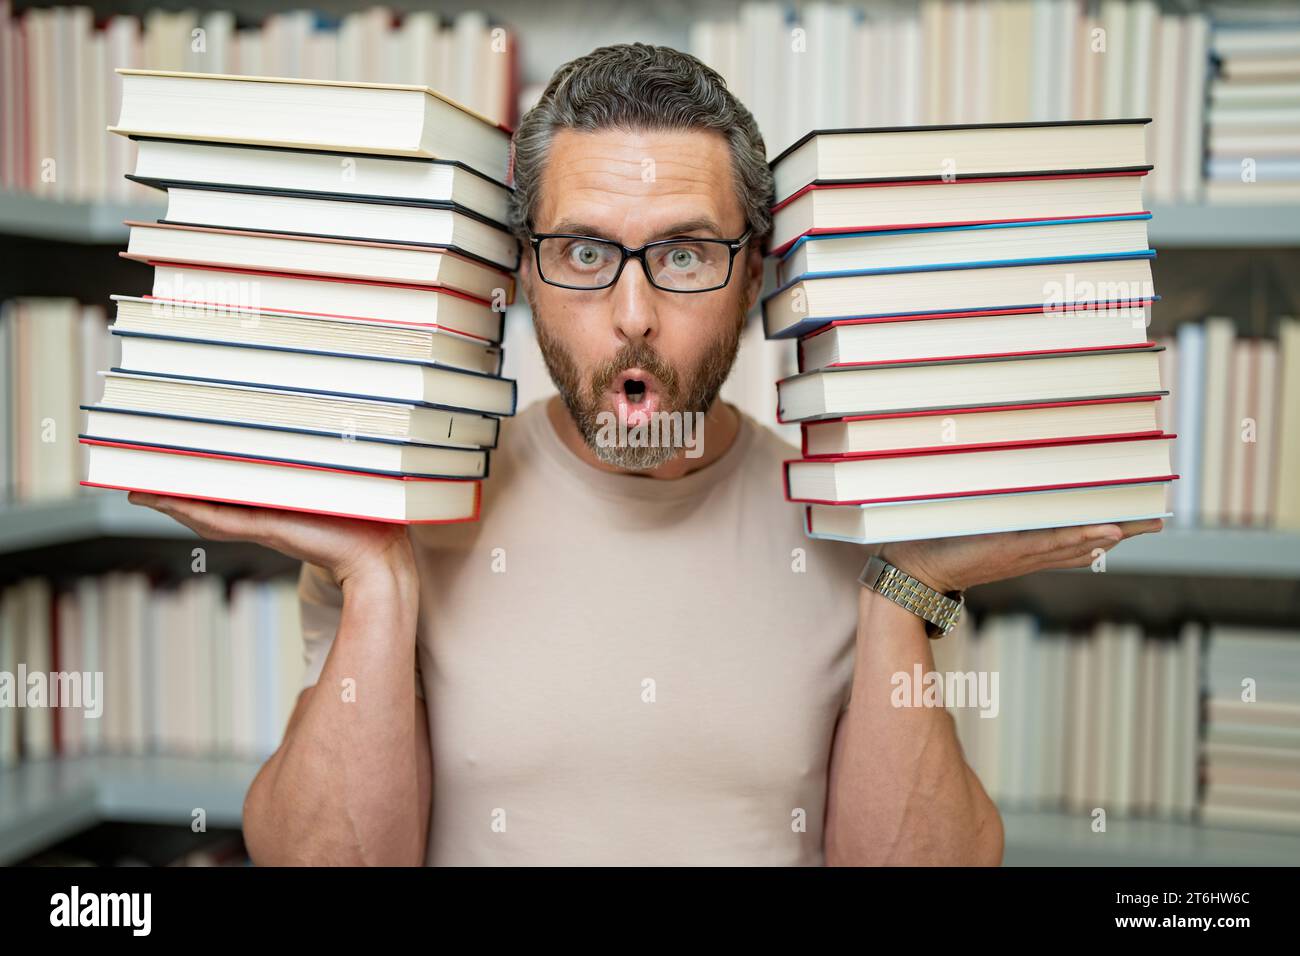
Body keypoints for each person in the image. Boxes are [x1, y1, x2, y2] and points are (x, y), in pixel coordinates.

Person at [128, 43, 1161, 866]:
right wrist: (376, 577)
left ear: (754, 277)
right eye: (584, 252)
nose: (632, 313)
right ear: (520, 274)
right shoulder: (408, 506)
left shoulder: (866, 520)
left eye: (683, 253)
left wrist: (904, 595)